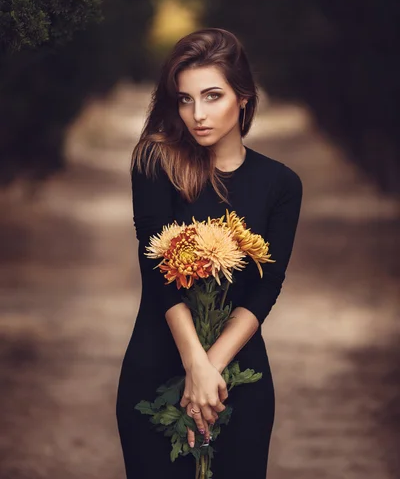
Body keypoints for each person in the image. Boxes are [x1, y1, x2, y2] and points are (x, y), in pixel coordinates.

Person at [116, 27, 303, 478]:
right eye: (184, 99)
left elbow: (265, 288)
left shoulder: (280, 184)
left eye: (212, 96)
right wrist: (193, 363)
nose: (196, 114)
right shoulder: (156, 163)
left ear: (244, 96)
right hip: (155, 365)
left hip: (237, 378)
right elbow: (157, 271)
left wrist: (210, 366)